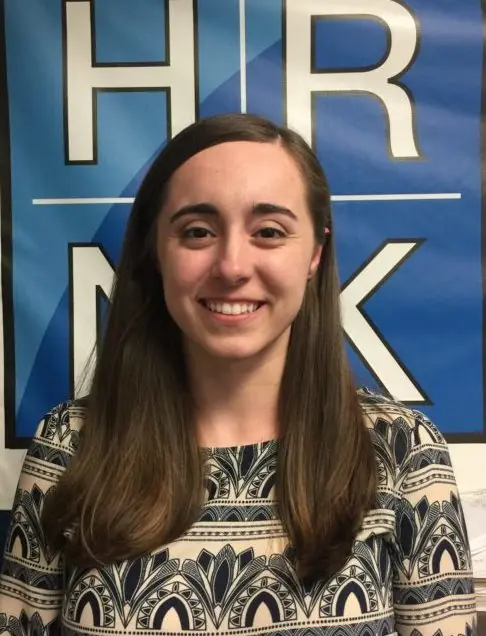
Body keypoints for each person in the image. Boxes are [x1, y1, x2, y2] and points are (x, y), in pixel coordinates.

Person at [0, 114, 477, 635]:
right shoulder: (70, 447)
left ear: (315, 253)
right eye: (198, 232)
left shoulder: (402, 452)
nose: (231, 266)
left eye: (269, 232)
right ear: (156, 250)